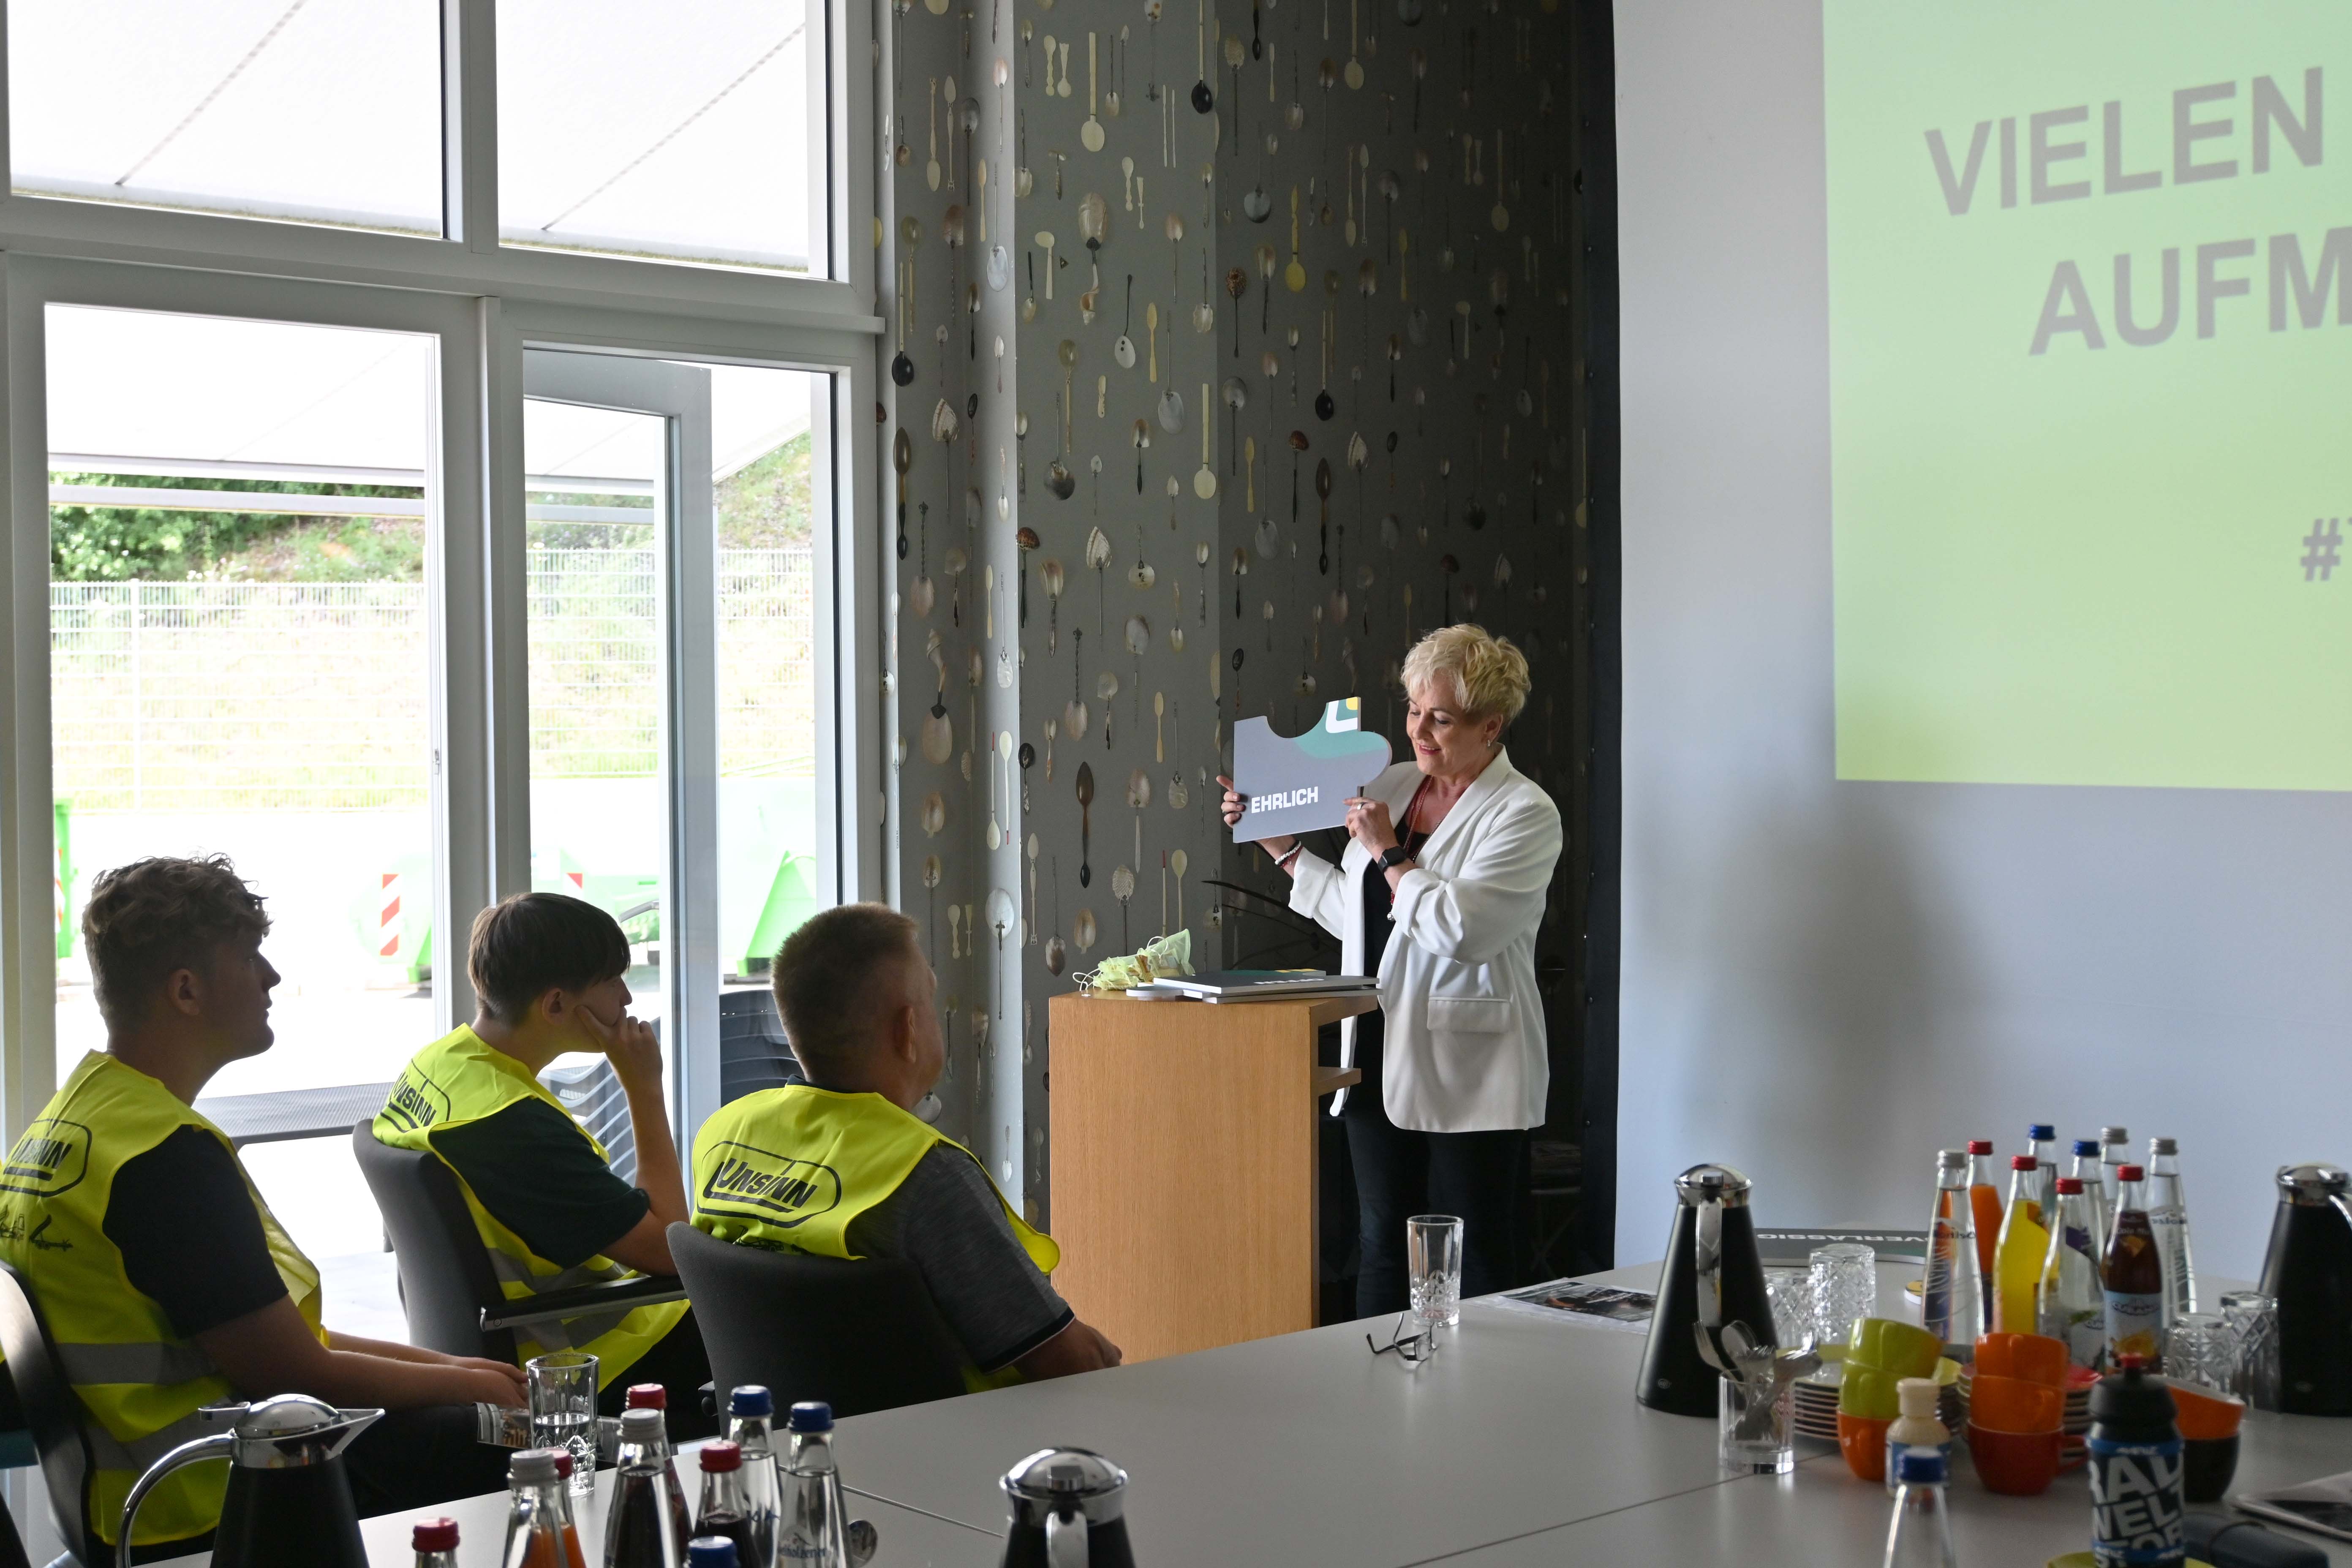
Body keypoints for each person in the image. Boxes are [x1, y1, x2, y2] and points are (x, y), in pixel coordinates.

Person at [0, 856, 525, 1563]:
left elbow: (277, 1341)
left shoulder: (73, 1125)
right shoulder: (163, 1160)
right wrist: (473, 1389)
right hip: (215, 1496)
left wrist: (456, 1369)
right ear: (186, 990)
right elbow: (295, 1372)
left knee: (476, 1406)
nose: (272, 977)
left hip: (144, 1489)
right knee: (509, 1440)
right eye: (250, 957)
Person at [1220, 623, 1562, 1315]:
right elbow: (1361, 916)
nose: (1418, 732)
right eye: (1412, 710)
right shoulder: (1396, 787)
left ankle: (1481, 1386)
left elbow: (1460, 930)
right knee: (1380, 1244)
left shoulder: (1524, 812)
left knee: (1475, 1254)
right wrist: (1281, 845)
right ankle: (1375, 1377)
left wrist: (1387, 852)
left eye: (1441, 718)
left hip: (1470, 1068)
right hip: (1375, 1050)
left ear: (1490, 725)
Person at [691, 903, 1122, 1385]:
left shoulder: (723, 1136)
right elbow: (1070, 1363)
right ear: (908, 1031)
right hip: (955, 1429)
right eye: (931, 1000)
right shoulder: (925, 1175)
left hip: (784, 1429)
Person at [373, 892, 713, 1431]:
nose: (627, 997)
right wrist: (644, 1088)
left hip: (491, 1344)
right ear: (555, 1005)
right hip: (591, 1367)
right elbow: (671, 1252)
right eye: (613, 981)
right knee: (778, 1324)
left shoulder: (439, 1065)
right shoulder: (512, 1126)